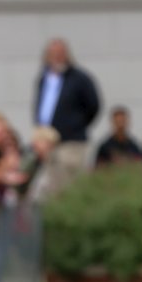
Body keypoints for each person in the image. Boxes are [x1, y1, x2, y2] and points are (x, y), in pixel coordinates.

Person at [33, 37, 100, 191]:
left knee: (69, 185)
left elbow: (94, 106)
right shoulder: (44, 79)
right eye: (53, 54)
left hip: (70, 143)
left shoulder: (79, 79)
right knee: (50, 187)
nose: (57, 57)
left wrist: (76, 125)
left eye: (61, 53)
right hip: (47, 144)